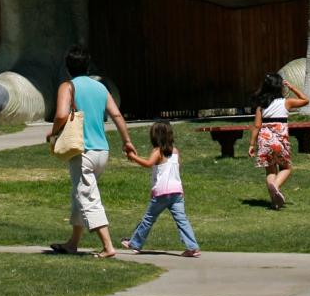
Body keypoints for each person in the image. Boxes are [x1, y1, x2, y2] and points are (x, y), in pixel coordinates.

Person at [46, 44, 137, 258]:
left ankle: (107, 246)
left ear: (68, 67)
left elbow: (60, 115)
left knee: (87, 196)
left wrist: (52, 134)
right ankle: (72, 243)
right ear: (88, 65)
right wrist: (127, 141)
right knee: (80, 193)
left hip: (82, 151)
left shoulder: (68, 86)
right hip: (101, 152)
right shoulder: (100, 88)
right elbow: (117, 116)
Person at [121, 120, 200, 256]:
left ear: (155, 136)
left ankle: (134, 243)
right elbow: (177, 171)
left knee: (148, 219)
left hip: (162, 193)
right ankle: (192, 247)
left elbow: (148, 163)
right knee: (182, 220)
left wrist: (133, 156)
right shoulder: (175, 151)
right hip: (177, 192)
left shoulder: (158, 151)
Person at [248, 71, 309, 209]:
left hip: (264, 140)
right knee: (286, 168)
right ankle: (275, 186)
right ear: (280, 87)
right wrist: (292, 87)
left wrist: (251, 144)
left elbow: (257, 126)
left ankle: (274, 202)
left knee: (270, 171)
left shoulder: (261, 106)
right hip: (280, 141)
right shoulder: (286, 102)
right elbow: (306, 100)